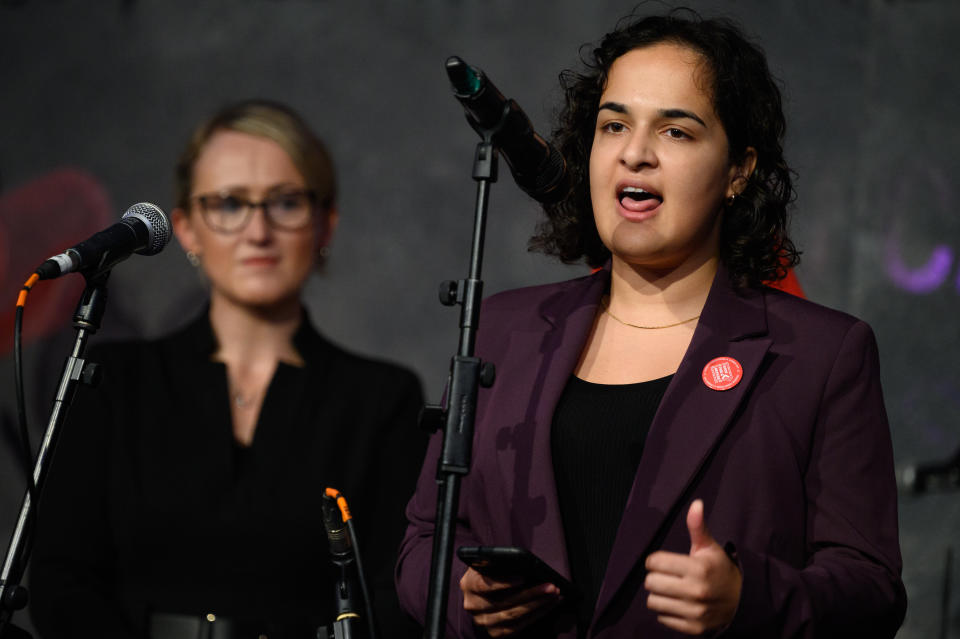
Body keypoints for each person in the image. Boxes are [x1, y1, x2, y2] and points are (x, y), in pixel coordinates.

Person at [396, 9, 906, 639]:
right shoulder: (505, 329)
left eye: (675, 132)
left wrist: (746, 599)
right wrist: (465, 597)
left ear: (739, 171)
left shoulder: (821, 354)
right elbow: (423, 541)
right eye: (614, 126)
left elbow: (871, 588)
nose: (634, 153)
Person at [30, 100, 426, 638]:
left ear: (324, 224)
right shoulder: (110, 380)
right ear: (186, 229)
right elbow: (63, 580)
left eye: (285, 203)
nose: (257, 231)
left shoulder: (383, 399)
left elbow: (393, 598)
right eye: (229, 203)